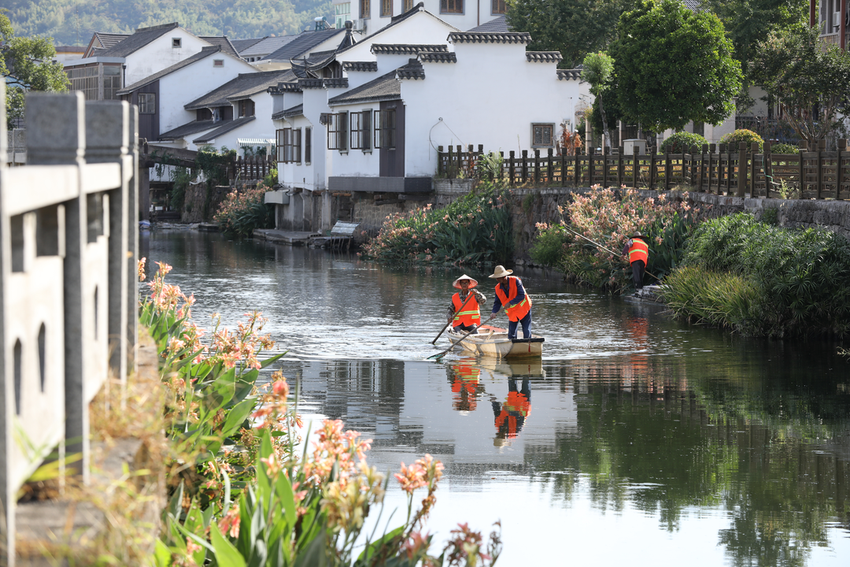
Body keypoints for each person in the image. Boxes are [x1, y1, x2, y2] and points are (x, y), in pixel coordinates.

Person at [487, 265, 532, 340]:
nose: (497, 279)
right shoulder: (497, 288)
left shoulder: (516, 281)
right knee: (511, 334)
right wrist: (494, 312)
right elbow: (497, 302)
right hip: (512, 313)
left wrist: (510, 303)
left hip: (524, 309)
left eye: (498, 277)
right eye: (496, 277)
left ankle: (528, 347)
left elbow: (521, 295)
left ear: (504, 276)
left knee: (526, 331)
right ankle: (512, 348)